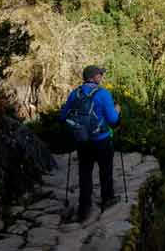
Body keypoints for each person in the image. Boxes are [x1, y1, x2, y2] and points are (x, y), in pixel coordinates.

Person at [60, 65, 121, 221]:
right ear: (94, 77)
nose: (101, 76)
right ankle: (107, 200)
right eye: (100, 74)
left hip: (82, 141)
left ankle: (84, 207)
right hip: (102, 140)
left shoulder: (75, 94)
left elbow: (63, 117)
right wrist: (117, 111)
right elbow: (113, 120)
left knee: (85, 173)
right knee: (105, 171)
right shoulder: (103, 94)